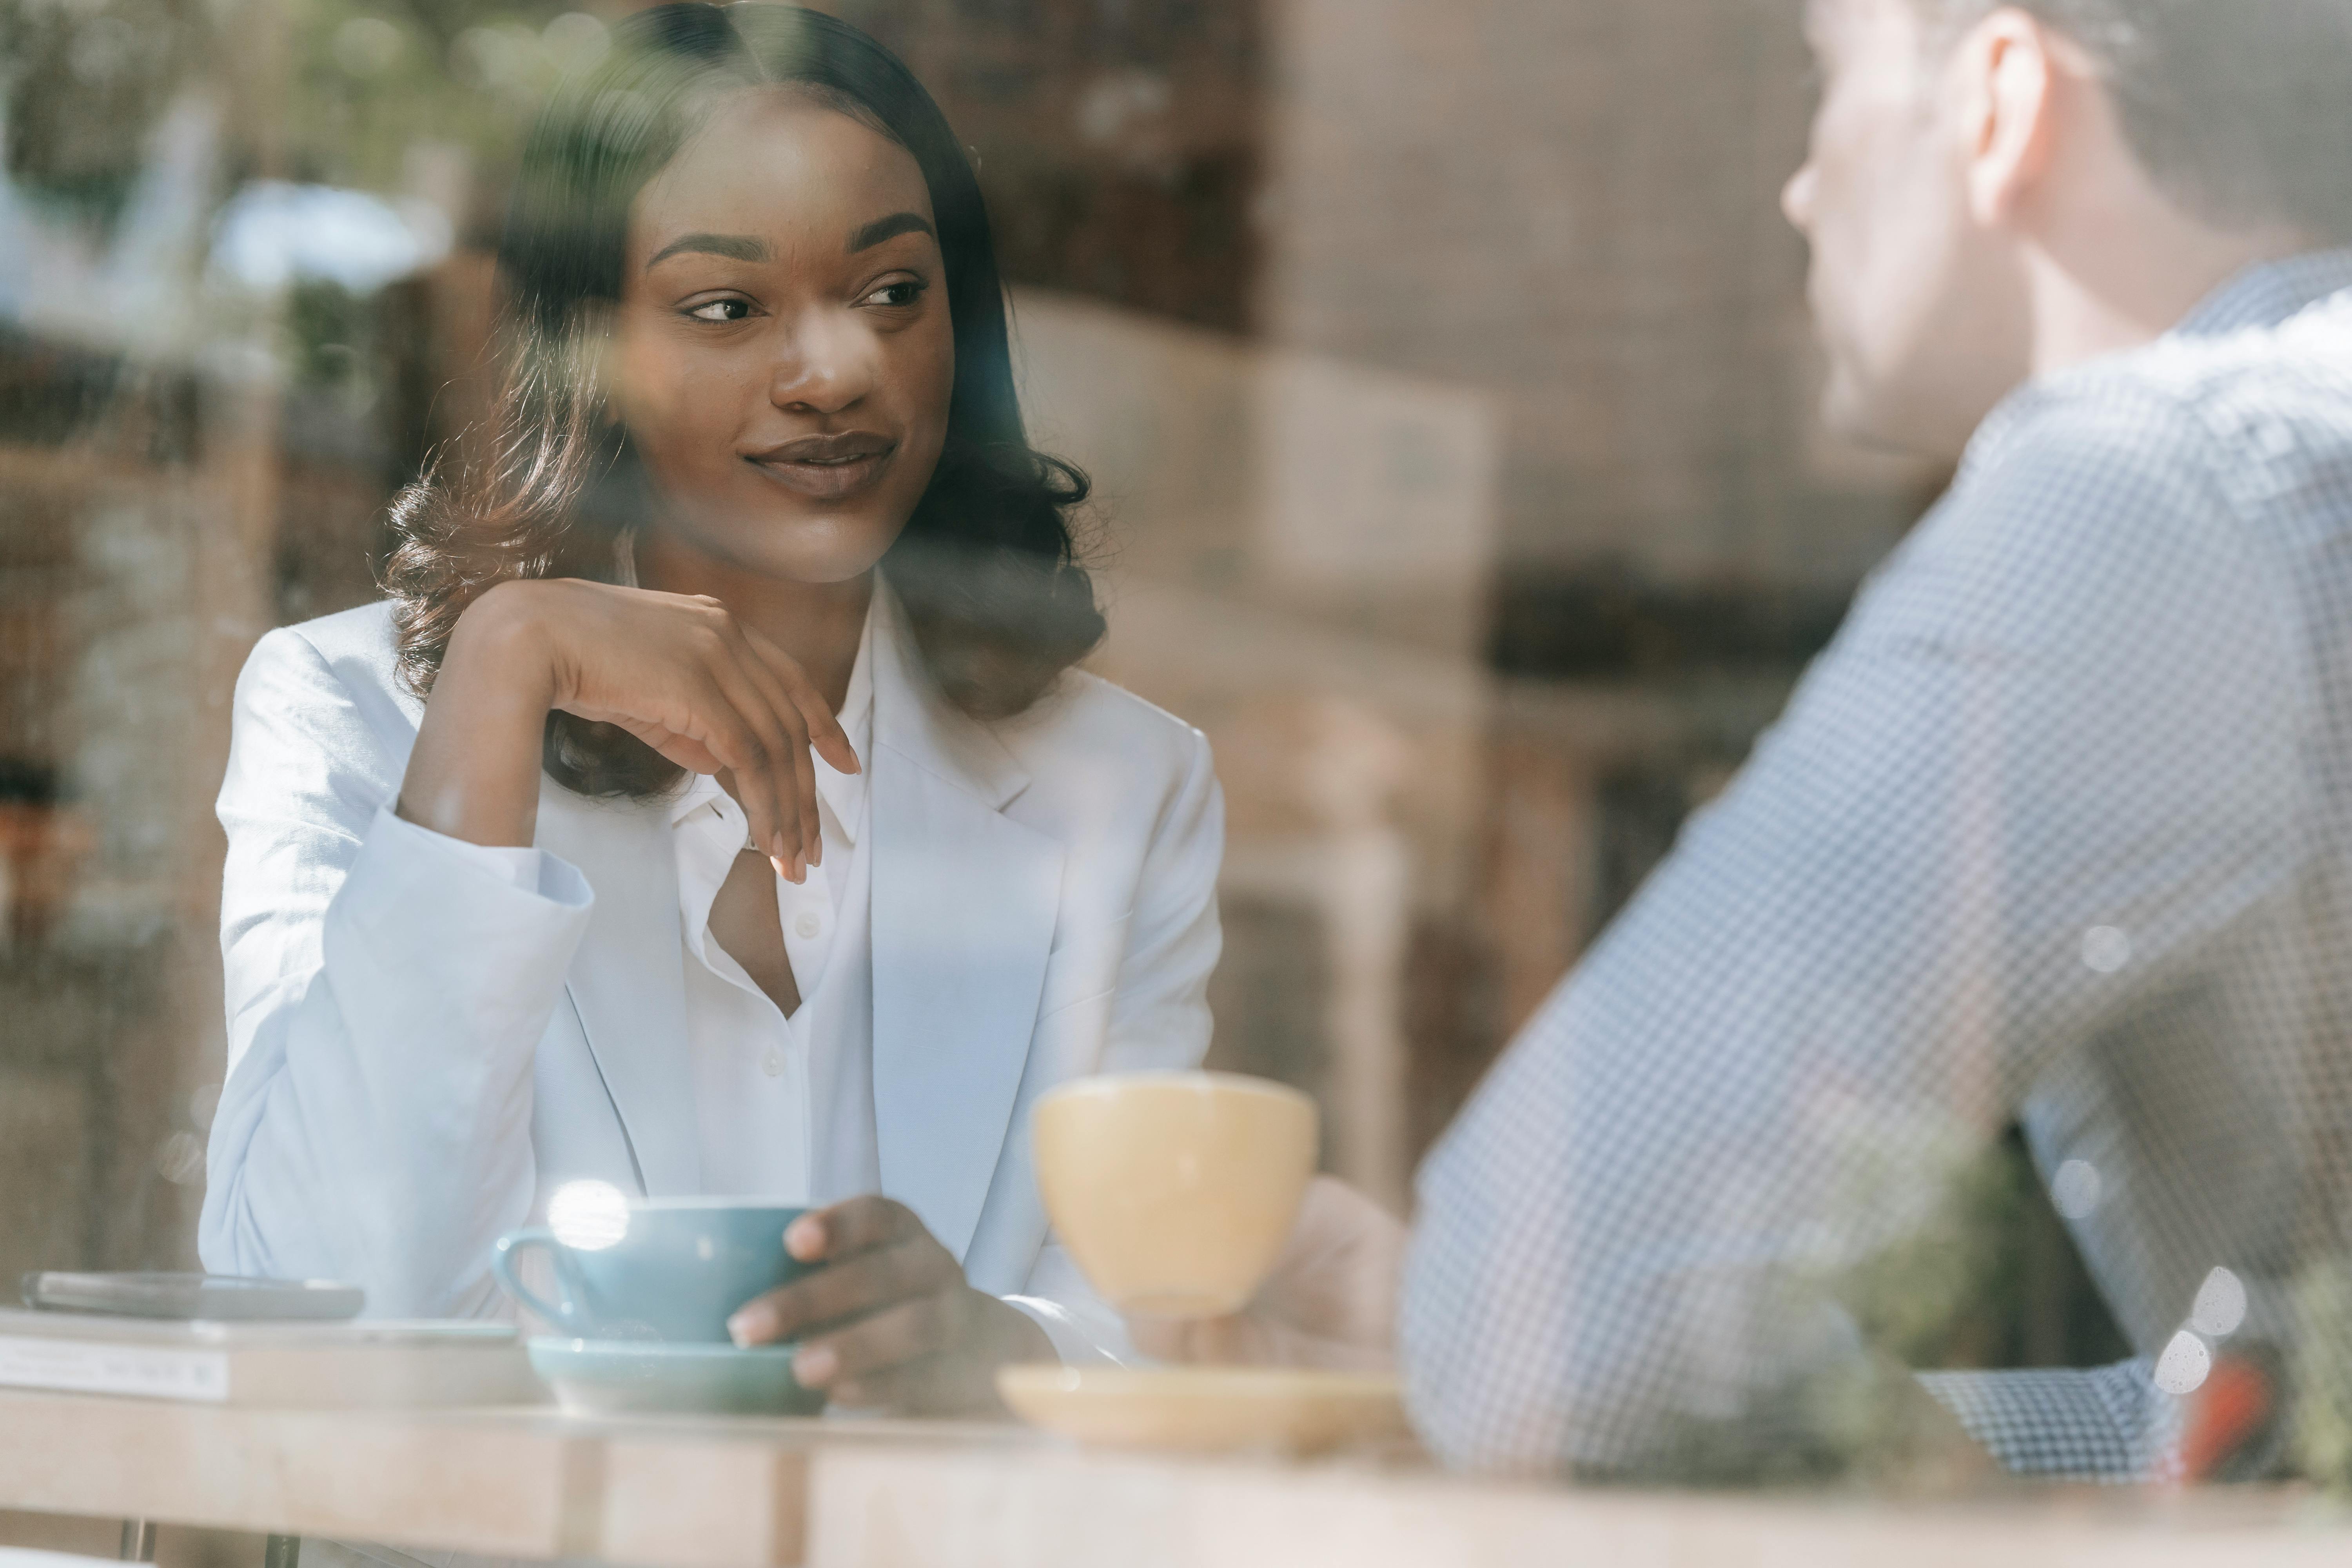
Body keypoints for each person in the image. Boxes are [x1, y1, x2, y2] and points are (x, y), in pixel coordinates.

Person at [1169, 0, 2352, 1483]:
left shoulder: (2169, 499)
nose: (1800, 185)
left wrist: (1480, 1327)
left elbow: (1553, 1332)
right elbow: (2290, 1436)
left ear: (2001, 101)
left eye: (1830, 84)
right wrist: (1462, 1331)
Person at [200, 2, 1222, 1416]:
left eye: (893, 293)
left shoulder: (1128, 787)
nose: (838, 371)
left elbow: (1165, 1340)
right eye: (728, 308)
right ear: (586, 351)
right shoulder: (349, 713)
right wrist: (503, 673)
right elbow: (313, 1314)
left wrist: (999, 1354)